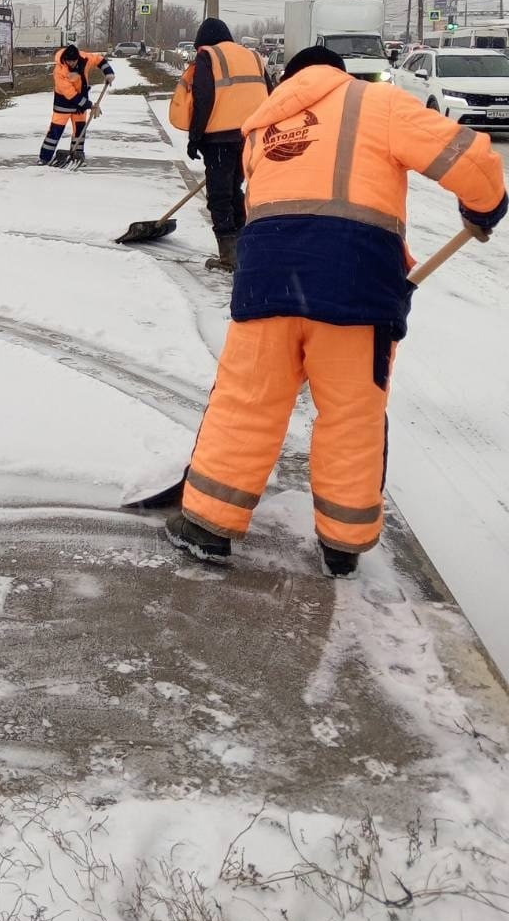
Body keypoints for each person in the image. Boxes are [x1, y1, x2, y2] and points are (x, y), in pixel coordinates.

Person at [166, 45, 506, 577]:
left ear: (293, 79)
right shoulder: (378, 102)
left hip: (266, 281)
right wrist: (484, 205)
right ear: (337, 75)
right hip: (354, 285)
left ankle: (207, 524)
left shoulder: (264, 123)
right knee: (351, 414)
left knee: (246, 401)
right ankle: (341, 545)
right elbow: (470, 158)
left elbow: (264, 204)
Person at [174, 18, 270, 270]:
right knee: (234, 190)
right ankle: (244, 248)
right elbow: (271, 94)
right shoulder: (253, 56)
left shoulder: (209, 56)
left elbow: (203, 97)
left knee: (219, 196)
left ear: (203, 42)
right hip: (250, 136)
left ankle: (229, 256)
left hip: (219, 138)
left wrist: (195, 137)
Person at [39, 43, 114, 166]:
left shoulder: (85, 58)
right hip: (63, 104)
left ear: (77, 58)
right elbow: (71, 95)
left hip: (80, 105)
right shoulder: (59, 71)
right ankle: (44, 158)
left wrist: (108, 72)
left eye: (73, 61)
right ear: (65, 59)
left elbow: (99, 59)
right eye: (69, 61)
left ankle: (77, 156)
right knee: (55, 132)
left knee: (80, 131)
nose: (71, 64)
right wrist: (90, 105)